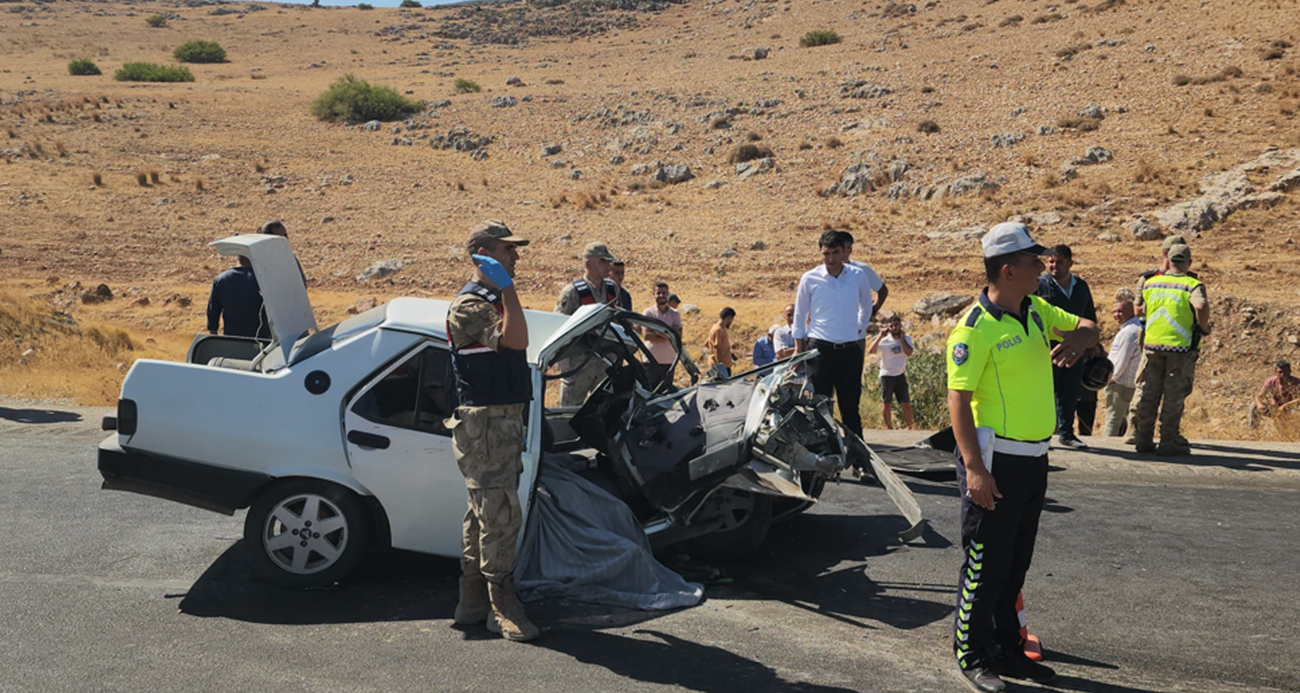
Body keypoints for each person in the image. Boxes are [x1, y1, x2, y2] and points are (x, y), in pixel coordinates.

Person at [946, 222, 1098, 692]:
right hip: (996, 460)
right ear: (1008, 270)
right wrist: (974, 469)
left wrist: (1080, 339)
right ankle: (972, 653)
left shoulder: (1035, 308)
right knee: (985, 562)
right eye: (1035, 262)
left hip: (1034, 457)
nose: (1042, 268)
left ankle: (1008, 649)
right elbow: (958, 401)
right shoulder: (974, 329)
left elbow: (1089, 326)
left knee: (1016, 560)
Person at [445, 220, 538, 642]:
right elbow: (517, 340)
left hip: (498, 421)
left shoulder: (488, 298)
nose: (515, 256)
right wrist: (508, 290)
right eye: (506, 250)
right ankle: (502, 606)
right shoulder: (470, 304)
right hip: (485, 424)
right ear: (483, 254)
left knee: (481, 512)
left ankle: (472, 601)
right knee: (500, 514)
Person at [793, 231, 875, 441]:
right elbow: (800, 315)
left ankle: (858, 461)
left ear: (844, 252)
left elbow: (866, 306)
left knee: (850, 407)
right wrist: (798, 348)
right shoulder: (809, 278)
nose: (830, 259)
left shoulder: (857, 276)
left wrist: (859, 327)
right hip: (820, 349)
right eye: (825, 254)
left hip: (849, 349)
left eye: (835, 253)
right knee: (820, 406)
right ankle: (823, 459)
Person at [1131, 244, 1211, 455]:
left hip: (1152, 346)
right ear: (1189, 263)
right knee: (1173, 396)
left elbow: (1138, 308)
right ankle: (1168, 441)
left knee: (1150, 393)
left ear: (1168, 260)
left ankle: (1143, 438)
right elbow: (1201, 306)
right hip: (1180, 348)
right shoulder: (1191, 284)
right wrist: (1204, 327)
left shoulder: (1151, 283)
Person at [1035, 244, 1098, 450]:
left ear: (1070, 263)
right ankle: (1040, 435)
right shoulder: (1040, 285)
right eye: (1051, 261)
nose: (1054, 266)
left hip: (1075, 350)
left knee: (1069, 392)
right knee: (1044, 393)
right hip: (1047, 350)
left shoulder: (1080, 286)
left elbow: (1089, 317)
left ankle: (1067, 433)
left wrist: (1093, 345)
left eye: (1059, 262)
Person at [555, 242, 621, 406]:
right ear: (588, 264)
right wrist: (561, 359)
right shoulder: (572, 292)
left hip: (605, 362)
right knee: (569, 411)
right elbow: (558, 325)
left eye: (608, 262)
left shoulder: (612, 289)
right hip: (578, 363)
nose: (608, 266)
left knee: (604, 410)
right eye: (603, 262)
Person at [1103, 298, 1143, 437]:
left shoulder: (1129, 332)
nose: (1116, 315)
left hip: (1120, 384)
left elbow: (1121, 361)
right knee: (1127, 423)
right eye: (1114, 311)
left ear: (1131, 311)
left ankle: (1108, 451)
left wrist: (1111, 379)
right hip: (1130, 384)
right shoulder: (1136, 327)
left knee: (1112, 421)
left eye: (1120, 311)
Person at [869, 314, 915, 429]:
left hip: (900, 374)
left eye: (897, 325)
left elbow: (909, 352)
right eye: (892, 325)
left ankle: (910, 427)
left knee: (906, 403)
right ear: (888, 327)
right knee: (886, 402)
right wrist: (879, 336)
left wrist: (902, 339)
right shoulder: (884, 341)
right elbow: (871, 350)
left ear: (900, 325)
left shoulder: (906, 338)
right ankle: (889, 427)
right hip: (887, 375)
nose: (895, 328)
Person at [641, 281, 682, 388]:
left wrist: (658, 332)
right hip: (650, 360)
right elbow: (647, 336)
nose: (661, 296)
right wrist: (669, 335)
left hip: (669, 361)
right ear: (653, 294)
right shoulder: (648, 313)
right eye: (658, 293)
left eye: (664, 293)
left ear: (668, 294)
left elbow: (678, 335)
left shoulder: (675, 314)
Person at [1250, 360, 1300, 428]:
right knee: (1254, 406)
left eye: (1285, 372)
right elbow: (1259, 396)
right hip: (1275, 408)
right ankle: (1253, 431)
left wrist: (1286, 406)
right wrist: (1259, 405)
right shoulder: (1271, 381)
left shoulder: (1297, 382)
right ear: (1275, 372)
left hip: (1291, 409)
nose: (1283, 374)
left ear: (1290, 371)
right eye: (1280, 372)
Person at [704, 307, 736, 378]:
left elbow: (707, 343)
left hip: (724, 365)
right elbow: (716, 348)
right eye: (732, 319)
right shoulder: (717, 330)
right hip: (721, 368)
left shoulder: (720, 328)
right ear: (728, 317)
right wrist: (719, 366)